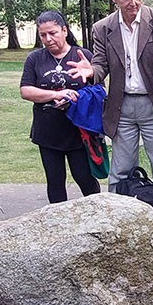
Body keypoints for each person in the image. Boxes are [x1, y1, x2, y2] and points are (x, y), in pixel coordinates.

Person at [67, 0, 153, 240]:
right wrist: (90, 73)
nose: (133, 2)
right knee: (120, 167)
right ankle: (117, 219)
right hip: (121, 106)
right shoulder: (102, 28)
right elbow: (100, 66)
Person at [19, 11, 100, 203]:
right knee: (55, 182)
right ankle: (57, 226)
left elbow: (99, 92)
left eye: (53, 33)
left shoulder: (82, 55)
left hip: (79, 131)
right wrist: (55, 95)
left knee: (85, 178)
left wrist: (75, 98)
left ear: (64, 30)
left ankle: (98, 218)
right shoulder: (35, 59)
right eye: (43, 35)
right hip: (47, 132)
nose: (48, 39)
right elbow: (25, 90)